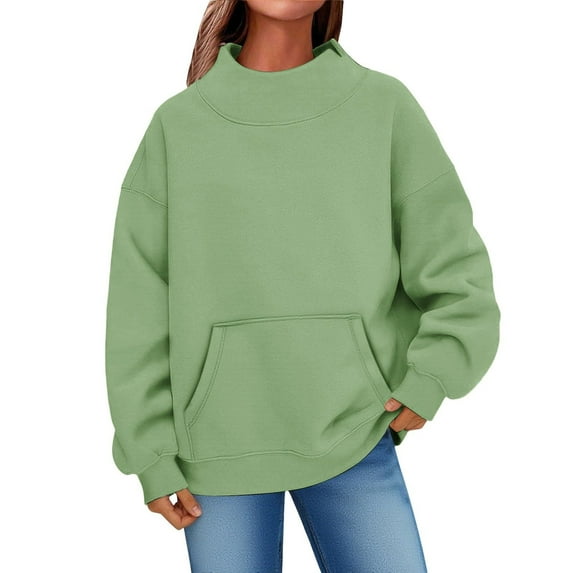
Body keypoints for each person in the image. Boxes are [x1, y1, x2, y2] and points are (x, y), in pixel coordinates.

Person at [104, 1, 501, 571]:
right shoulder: (178, 126)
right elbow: (139, 308)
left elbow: (456, 268)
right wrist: (151, 452)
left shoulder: (383, 107)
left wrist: (433, 376)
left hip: (354, 426)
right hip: (215, 446)